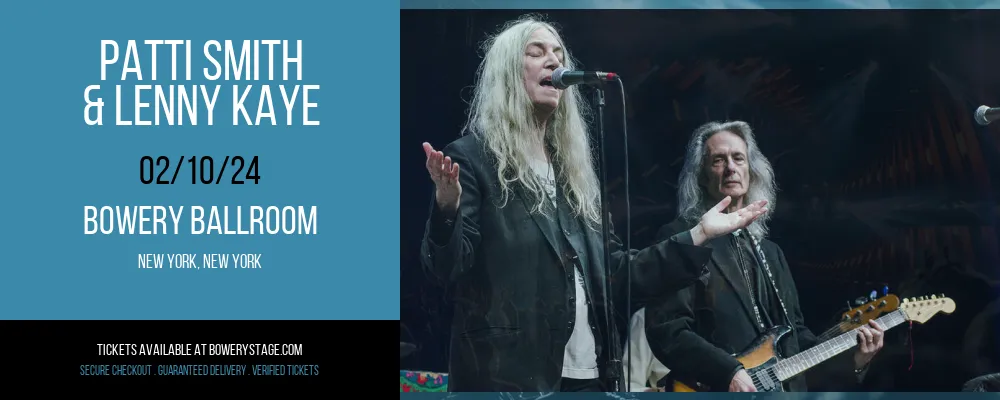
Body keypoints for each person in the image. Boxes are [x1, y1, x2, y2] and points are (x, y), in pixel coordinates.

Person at [419, 16, 768, 392]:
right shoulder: (473, 159)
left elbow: (617, 275)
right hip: (509, 377)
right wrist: (448, 208)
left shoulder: (574, 177)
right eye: (536, 54)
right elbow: (446, 269)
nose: (554, 62)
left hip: (588, 376)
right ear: (507, 74)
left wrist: (698, 234)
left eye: (558, 53)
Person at [644, 120, 885, 392]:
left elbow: (795, 338)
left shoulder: (771, 252)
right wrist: (729, 373)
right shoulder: (683, 239)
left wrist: (856, 359)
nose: (731, 168)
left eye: (738, 158)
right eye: (718, 161)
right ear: (701, 175)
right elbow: (668, 330)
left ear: (751, 171)